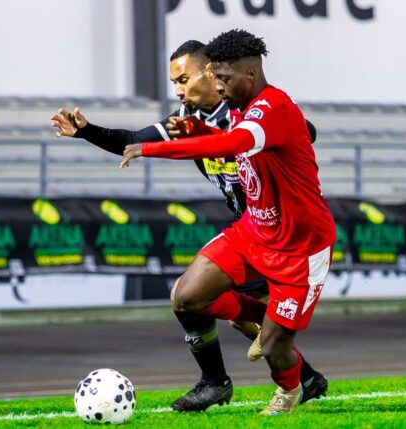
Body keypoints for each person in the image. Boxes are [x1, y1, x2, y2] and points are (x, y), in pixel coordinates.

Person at [50, 39, 326, 412]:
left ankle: (299, 379)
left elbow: (299, 132)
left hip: (289, 234)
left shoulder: (251, 109)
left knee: (265, 333)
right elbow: (132, 140)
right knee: (192, 298)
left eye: (184, 79)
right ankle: (220, 382)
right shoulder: (188, 120)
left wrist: (263, 139)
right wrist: (87, 131)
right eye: (174, 83)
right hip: (249, 227)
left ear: (211, 74)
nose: (178, 90)